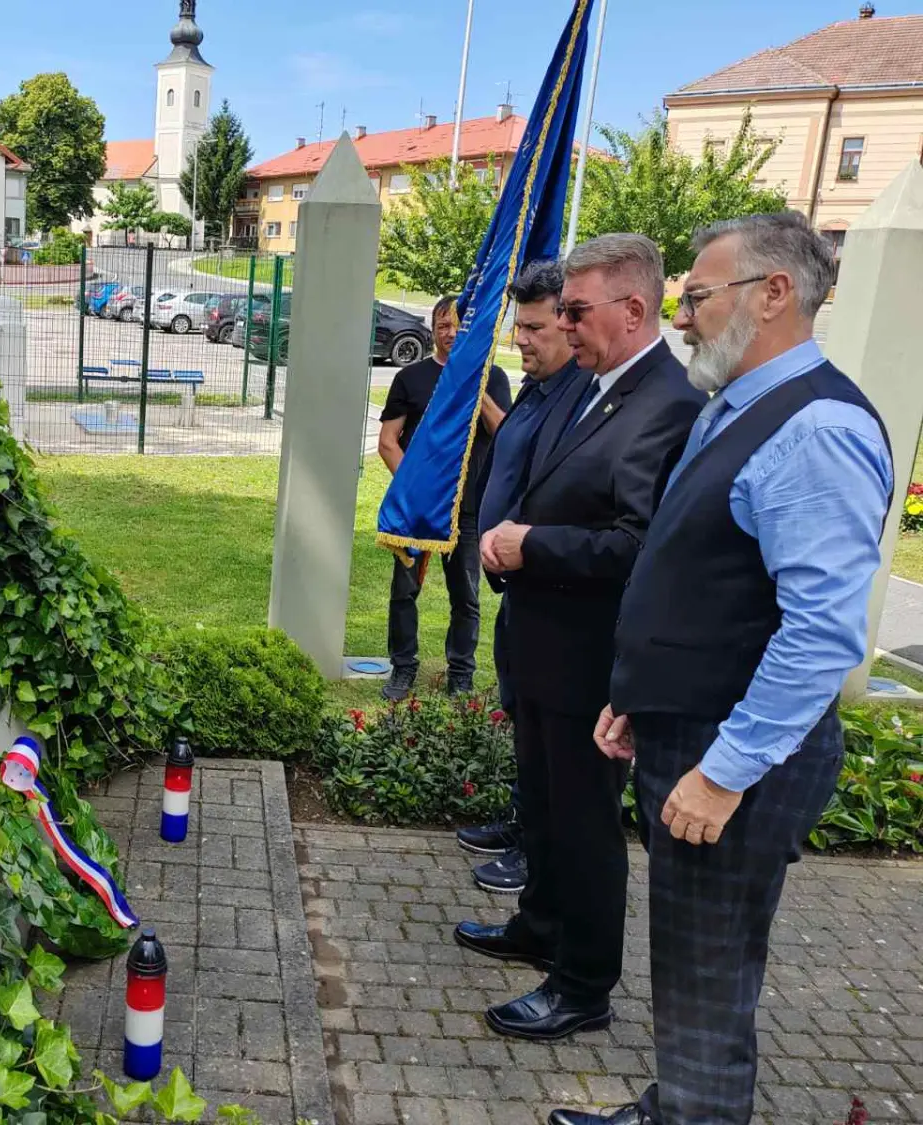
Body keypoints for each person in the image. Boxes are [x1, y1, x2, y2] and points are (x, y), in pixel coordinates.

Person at [550, 214, 892, 1125]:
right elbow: (698, 572)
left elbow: (820, 633)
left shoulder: (815, 427)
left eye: (697, 296)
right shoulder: (737, 406)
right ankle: (682, 1103)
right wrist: (639, 697)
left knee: (706, 966)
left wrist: (722, 771)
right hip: (690, 727)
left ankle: (695, 1112)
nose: (684, 317)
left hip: (734, 756)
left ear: (773, 294)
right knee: (695, 957)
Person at [453, 233, 704, 1042]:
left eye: (574, 310)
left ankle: (583, 983)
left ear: (634, 310)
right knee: (549, 813)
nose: (560, 323)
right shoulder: (602, 388)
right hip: (544, 644)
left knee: (587, 829)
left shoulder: (667, 403)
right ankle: (541, 924)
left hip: (594, 661)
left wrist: (534, 543)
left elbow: (641, 544)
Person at [458, 259, 581, 896]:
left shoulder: (581, 396)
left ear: (568, 321)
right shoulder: (538, 385)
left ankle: (537, 853)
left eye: (534, 327)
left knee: (549, 735)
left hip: (550, 588)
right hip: (520, 589)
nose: (521, 340)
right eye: (520, 325)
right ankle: (520, 823)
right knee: (521, 715)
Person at [378, 294, 512, 700]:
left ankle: (461, 675)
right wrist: (417, 488)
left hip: (469, 507)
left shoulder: (494, 377)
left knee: (466, 596)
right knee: (404, 593)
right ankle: (402, 669)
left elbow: (504, 433)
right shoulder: (410, 379)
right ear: (433, 329)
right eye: (442, 326)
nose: (450, 333)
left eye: (458, 326)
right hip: (418, 510)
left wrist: (472, 379)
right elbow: (388, 442)